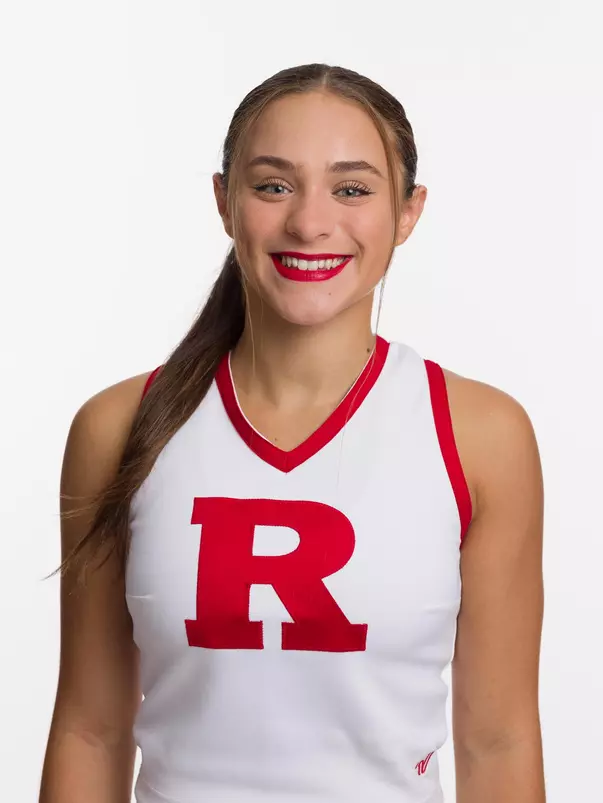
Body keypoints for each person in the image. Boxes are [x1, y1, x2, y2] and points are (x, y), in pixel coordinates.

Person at [40, 63, 546, 803]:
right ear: (223, 200)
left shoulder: (479, 434)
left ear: (408, 212)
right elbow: (91, 728)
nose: (310, 222)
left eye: (352, 189)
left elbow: (496, 739)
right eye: (273, 185)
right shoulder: (119, 427)